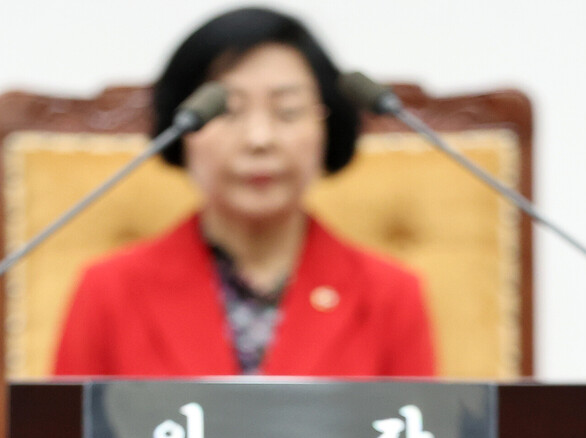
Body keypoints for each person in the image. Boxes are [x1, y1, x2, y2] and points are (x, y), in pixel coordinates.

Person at [52, 8, 436, 380]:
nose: (259, 139)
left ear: (328, 126)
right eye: (228, 111)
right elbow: (64, 426)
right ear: (183, 128)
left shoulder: (391, 295)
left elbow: (418, 424)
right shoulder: (108, 291)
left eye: (288, 111)